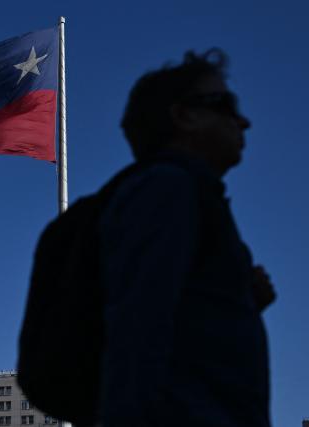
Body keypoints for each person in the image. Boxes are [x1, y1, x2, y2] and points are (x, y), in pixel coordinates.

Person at [96, 49, 275, 427]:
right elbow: (138, 325)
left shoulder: (190, 195)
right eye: (226, 104)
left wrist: (241, 301)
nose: (244, 122)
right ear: (183, 115)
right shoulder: (168, 189)